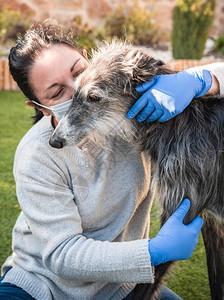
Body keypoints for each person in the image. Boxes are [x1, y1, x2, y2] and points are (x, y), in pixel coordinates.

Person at [0, 20, 223, 300]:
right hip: (43, 287)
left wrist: (202, 80)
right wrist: (153, 251)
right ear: (40, 107)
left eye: (79, 72)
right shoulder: (36, 154)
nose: (78, 92)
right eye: (57, 93)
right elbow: (62, 256)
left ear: (88, 58)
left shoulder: (129, 115)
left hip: (120, 285)